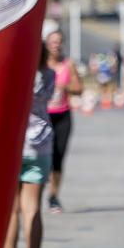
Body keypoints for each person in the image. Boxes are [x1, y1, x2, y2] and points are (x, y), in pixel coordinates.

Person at [0, 43, 55, 248]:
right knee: (33, 210)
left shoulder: (14, 73)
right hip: (40, 144)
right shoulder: (49, 75)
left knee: (11, 212)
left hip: (14, 143)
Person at [44, 25, 83, 212]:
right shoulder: (41, 65)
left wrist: (63, 87)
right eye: (52, 42)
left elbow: (79, 89)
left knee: (58, 156)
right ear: (46, 44)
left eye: (59, 42)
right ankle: (37, 188)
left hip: (62, 115)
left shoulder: (68, 64)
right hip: (43, 116)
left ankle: (54, 195)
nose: (56, 46)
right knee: (44, 156)